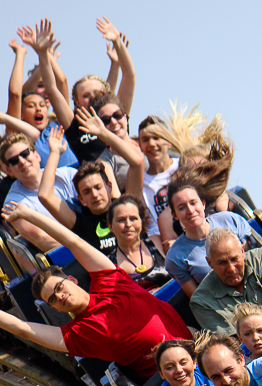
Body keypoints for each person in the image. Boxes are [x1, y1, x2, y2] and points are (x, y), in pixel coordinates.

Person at [0, 202, 190, 380]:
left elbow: (74, 242)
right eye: (53, 298)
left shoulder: (110, 281)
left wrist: (29, 215)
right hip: (173, 377)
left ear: (71, 279)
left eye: (59, 287)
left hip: (193, 345)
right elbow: (22, 328)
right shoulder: (80, 335)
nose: (60, 296)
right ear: (55, 308)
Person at [18, 18, 135, 165]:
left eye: (97, 92)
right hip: (96, 184)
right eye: (86, 95)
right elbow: (52, 90)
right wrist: (43, 54)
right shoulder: (75, 126)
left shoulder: (116, 116)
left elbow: (129, 75)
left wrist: (117, 42)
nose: (93, 98)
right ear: (77, 102)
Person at [38, 123, 143, 256]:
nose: (94, 194)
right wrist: (54, 153)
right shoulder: (81, 223)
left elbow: (137, 163)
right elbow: (44, 196)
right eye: (87, 191)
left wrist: (104, 133)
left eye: (98, 187)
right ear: (81, 199)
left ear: (109, 187)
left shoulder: (126, 206)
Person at [189, 228, 262, 333]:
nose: (231, 268)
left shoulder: (260, 259)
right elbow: (234, 343)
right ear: (209, 263)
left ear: (242, 251)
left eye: (234, 259)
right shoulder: (201, 301)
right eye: (222, 263)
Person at [164, 178, 251, 298]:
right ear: (175, 215)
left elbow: (253, 260)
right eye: (182, 208)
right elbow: (200, 300)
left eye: (193, 203)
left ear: (203, 204)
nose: (190, 210)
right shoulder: (176, 256)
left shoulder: (231, 220)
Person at [0, 132, 77, 251]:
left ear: (37, 155)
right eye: (14, 161)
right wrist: (83, 247)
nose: (22, 162)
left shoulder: (68, 175)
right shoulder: (13, 204)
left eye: (25, 154)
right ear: (9, 171)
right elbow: (42, 240)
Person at [0, 96, 77, 169]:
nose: (38, 108)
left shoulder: (55, 127)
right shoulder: (23, 141)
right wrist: (1, 117)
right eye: (31, 106)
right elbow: (15, 94)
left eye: (42, 105)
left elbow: (59, 84)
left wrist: (1, 117)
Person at [105, 195, 168, 287]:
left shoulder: (158, 242)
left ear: (141, 221)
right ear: (110, 226)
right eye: (121, 220)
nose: (128, 224)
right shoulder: (109, 264)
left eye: (133, 218)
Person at [137, 116, 179, 252]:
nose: (151, 144)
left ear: (169, 141)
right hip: (164, 246)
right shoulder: (140, 182)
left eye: (156, 137)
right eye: (145, 140)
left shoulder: (183, 166)